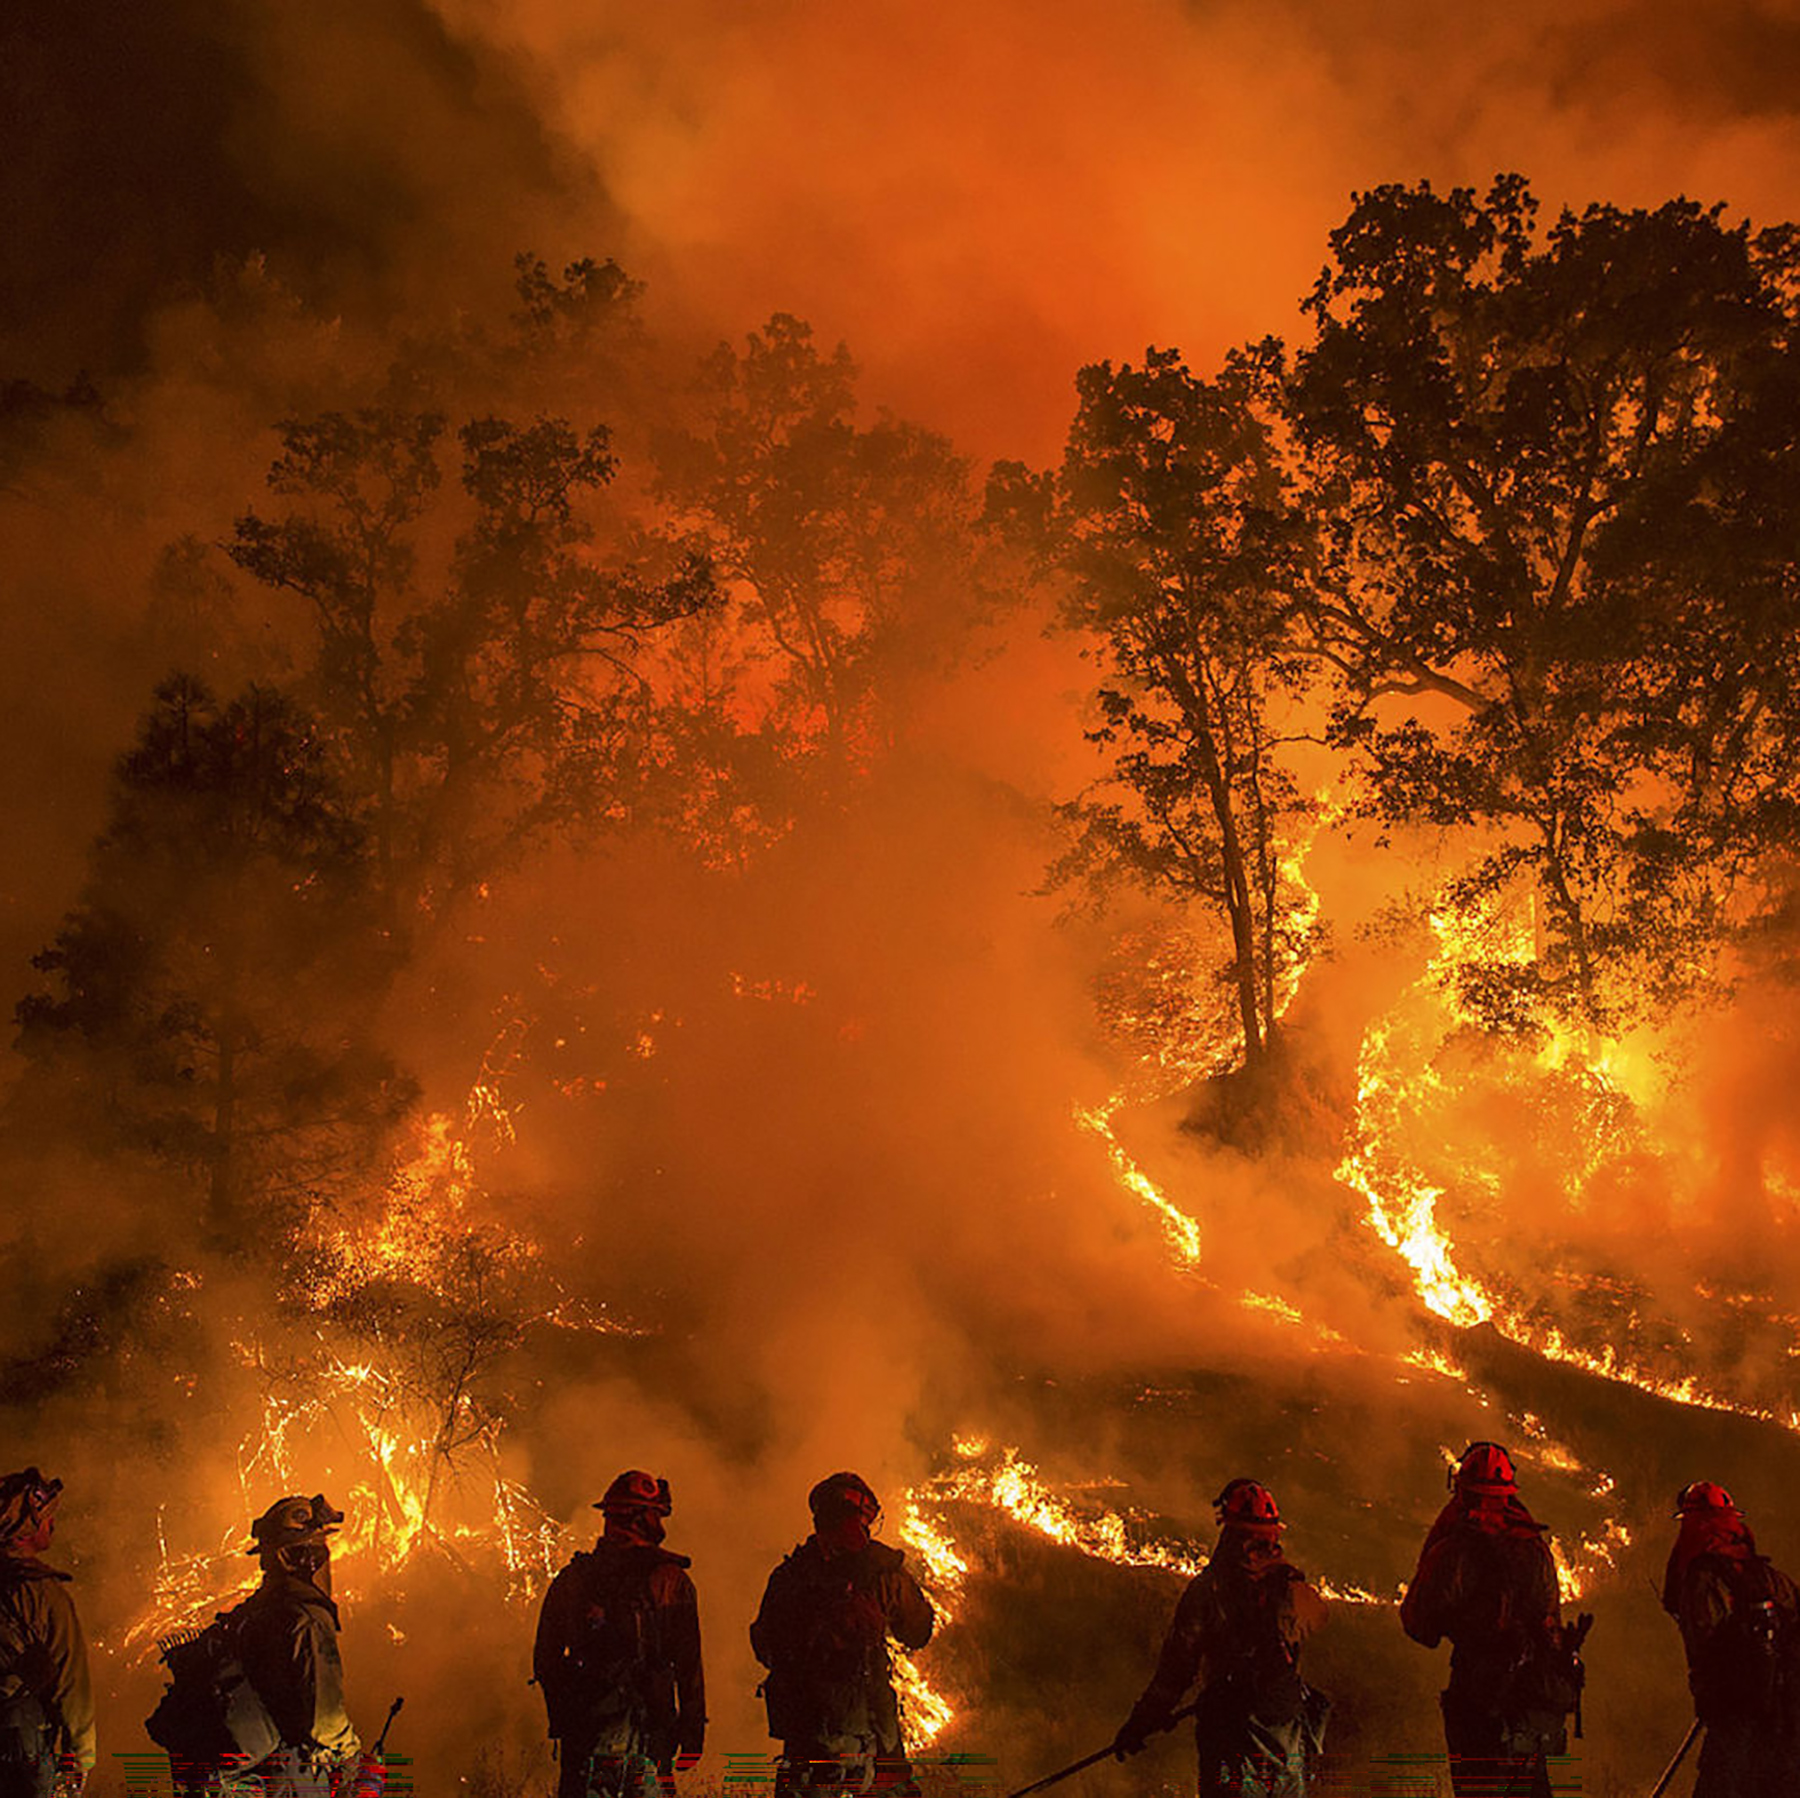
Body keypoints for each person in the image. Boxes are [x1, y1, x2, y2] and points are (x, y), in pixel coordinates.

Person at [1113, 1478, 1328, 1796]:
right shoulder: (1293, 1589)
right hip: (1287, 1741)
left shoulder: (1209, 1590)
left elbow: (1175, 1672)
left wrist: (1139, 1724)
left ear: (1228, 1530)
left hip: (1233, 1741)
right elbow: (1315, 1621)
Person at [1400, 1443, 1579, 1798]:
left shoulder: (1454, 1551)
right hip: (1533, 1699)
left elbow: (1419, 1624)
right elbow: (1550, 1616)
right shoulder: (1536, 1547)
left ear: (1462, 1490)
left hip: (1478, 1696)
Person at [750, 1473, 934, 1796]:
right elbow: (918, 1632)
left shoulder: (790, 1575)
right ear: (863, 1515)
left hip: (810, 1743)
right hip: (874, 1742)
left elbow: (763, 1646)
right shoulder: (883, 1571)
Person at [533, 1471, 704, 1798]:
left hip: (588, 1742)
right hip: (648, 1741)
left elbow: (545, 1660)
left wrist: (566, 1718)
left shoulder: (573, 1579)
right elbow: (688, 1665)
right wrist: (692, 1734)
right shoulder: (670, 1582)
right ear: (643, 1518)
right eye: (655, 1514)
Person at [1661, 1480, 1800, 1797]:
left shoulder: (1701, 1576)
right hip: (1781, 1713)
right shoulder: (1762, 1573)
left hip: (1736, 1710)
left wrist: (1711, 1691)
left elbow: (1704, 1642)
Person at [234, 1494, 368, 1798]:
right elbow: (325, 1719)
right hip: (285, 1777)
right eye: (317, 1549)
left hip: (248, 1779)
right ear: (300, 1557)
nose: (324, 1558)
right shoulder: (307, 1619)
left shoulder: (255, 1612)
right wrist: (351, 1758)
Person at [0, 1470, 95, 1798]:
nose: (52, 1524)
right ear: (23, 1530)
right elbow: (72, 1682)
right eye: (46, 1518)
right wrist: (80, 1759)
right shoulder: (38, 1591)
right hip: (16, 1749)